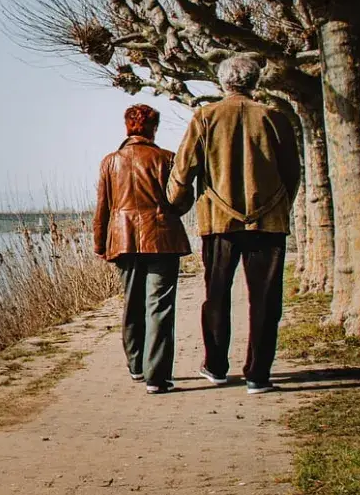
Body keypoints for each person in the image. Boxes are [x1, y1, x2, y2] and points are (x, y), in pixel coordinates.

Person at [167, 56, 300, 395]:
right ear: (256, 81)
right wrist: (281, 206)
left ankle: (215, 367)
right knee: (266, 300)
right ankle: (258, 375)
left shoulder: (205, 117)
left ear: (223, 82)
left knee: (216, 296)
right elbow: (292, 174)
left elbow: (183, 170)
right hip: (269, 224)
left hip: (218, 222)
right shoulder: (274, 117)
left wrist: (175, 204)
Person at [94, 104, 192, 394]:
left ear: (127, 127)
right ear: (154, 128)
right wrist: (166, 212)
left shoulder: (110, 162)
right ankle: (157, 377)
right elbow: (182, 199)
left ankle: (136, 366)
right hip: (162, 239)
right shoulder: (167, 159)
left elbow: (102, 207)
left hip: (123, 239)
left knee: (132, 303)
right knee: (159, 306)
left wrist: (100, 243)